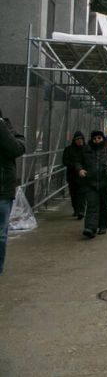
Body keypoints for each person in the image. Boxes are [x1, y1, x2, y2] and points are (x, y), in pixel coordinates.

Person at [77, 130, 107, 238]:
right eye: (94, 138)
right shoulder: (87, 149)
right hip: (90, 182)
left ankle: (103, 225)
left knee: (104, 204)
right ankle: (90, 228)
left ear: (102, 138)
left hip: (106, 182)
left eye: (99, 138)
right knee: (92, 204)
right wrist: (80, 169)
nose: (97, 140)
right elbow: (78, 161)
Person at [0, 108, 26, 275]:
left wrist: (0, 127)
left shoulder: (6, 128)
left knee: (1, 234)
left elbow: (17, 149)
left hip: (2, 190)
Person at [62, 131, 86, 218]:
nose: (80, 141)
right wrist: (75, 165)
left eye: (81, 139)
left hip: (83, 176)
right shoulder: (69, 149)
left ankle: (81, 211)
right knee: (74, 194)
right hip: (72, 176)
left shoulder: (86, 149)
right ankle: (76, 210)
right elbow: (65, 161)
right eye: (78, 139)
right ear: (74, 140)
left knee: (82, 194)